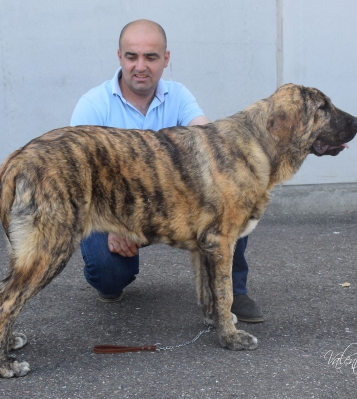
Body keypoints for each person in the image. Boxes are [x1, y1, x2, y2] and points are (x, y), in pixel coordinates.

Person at [70, 19, 264, 323]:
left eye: (151, 57)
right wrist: (112, 226)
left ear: (166, 59)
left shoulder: (178, 94)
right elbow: (77, 179)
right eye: (132, 56)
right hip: (110, 209)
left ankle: (234, 292)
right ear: (119, 56)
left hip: (171, 206)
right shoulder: (92, 105)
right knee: (108, 275)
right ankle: (108, 278)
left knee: (231, 202)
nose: (140, 66)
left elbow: (210, 140)